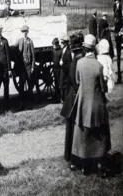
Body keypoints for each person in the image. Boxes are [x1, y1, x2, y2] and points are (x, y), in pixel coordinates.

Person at [70, 34, 111, 177]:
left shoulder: (79, 63)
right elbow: (103, 88)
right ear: (94, 49)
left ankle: (84, 165)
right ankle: (100, 164)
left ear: (84, 47)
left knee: (83, 133)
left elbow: (77, 80)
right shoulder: (99, 66)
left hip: (82, 104)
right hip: (97, 105)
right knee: (100, 133)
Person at [60, 34, 84, 166]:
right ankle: (74, 158)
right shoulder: (77, 62)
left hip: (71, 98)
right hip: (75, 98)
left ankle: (70, 157)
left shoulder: (74, 60)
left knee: (70, 129)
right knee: (75, 128)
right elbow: (75, 82)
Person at [14, 25, 35, 109]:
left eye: (25, 31)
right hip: (21, 67)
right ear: (21, 32)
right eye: (23, 32)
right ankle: (21, 105)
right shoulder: (19, 41)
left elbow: (33, 55)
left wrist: (33, 66)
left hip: (29, 66)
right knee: (21, 86)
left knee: (30, 85)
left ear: (28, 32)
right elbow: (14, 49)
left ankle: (30, 105)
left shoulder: (30, 41)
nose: (24, 33)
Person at [59, 34, 72, 103]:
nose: (61, 44)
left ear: (66, 43)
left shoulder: (69, 51)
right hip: (63, 70)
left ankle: (66, 101)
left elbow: (69, 64)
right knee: (61, 85)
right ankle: (63, 99)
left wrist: (62, 64)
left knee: (66, 86)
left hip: (66, 71)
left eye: (62, 42)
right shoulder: (63, 50)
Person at [113, 0, 122, 83]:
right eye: (116, 0)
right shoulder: (114, 6)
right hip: (117, 30)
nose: (117, 1)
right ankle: (119, 75)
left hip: (120, 30)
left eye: (118, 0)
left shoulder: (121, 7)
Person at [52, 37, 62, 103]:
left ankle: (61, 98)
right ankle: (56, 98)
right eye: (53, 44)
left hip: (60, 70)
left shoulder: (60, 51)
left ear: (57, 44)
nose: (54, 46)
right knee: (56, 84)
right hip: (55, 70)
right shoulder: (53, 50)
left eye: (54, 44)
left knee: (60, 84)